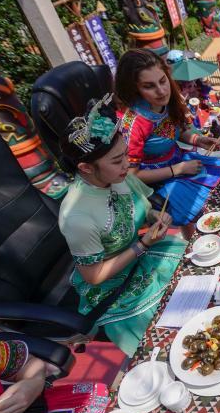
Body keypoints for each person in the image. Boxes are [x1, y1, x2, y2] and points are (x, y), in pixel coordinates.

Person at [59, 94, 186, 354]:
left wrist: (155, 217)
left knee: (198, 274)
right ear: (85, 167)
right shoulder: (77, 217)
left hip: (144, 254)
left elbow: (145, 207)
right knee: (173, 332)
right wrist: (141, 245)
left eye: (125, 155)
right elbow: (94, 277)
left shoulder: (116, 177)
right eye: (117, 161)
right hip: (114, 285)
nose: (126, 165)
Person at [115, 49, 220, 232]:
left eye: (162, 81)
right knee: (201, 212)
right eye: (149, 86)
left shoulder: (167, 101)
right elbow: (130, 175)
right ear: (135, 89)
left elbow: (174, 130)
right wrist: (178, 170)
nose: (161, 91)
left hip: (179, 162)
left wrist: (198, 140)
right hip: (156, 182)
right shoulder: (132, 123)